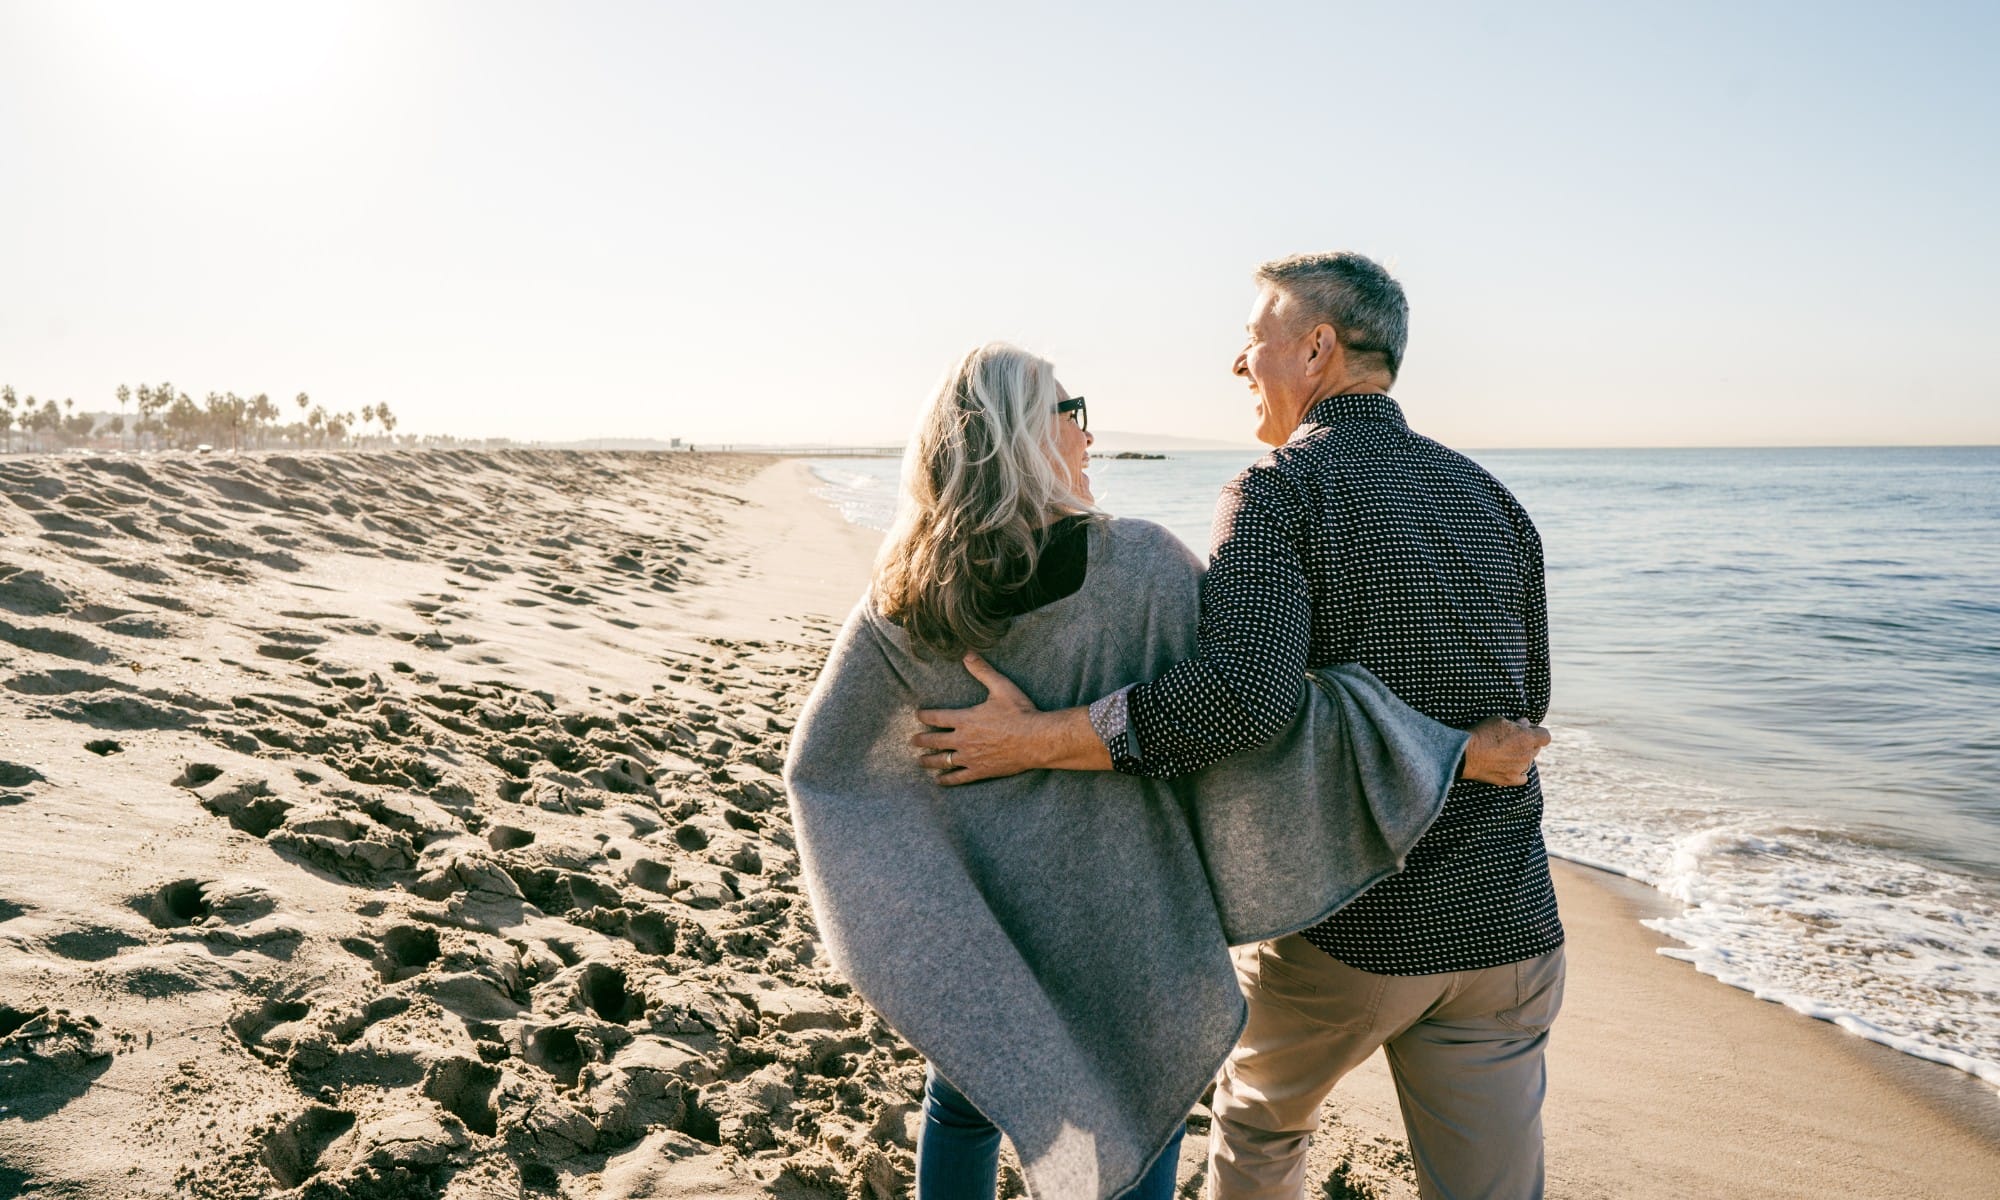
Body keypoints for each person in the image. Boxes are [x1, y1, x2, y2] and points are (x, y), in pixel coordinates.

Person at [785, 341, 1545, 1200]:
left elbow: (828, 770)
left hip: (988, 912)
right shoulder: (1140, 566)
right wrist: (1447, 748)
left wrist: (918, 892)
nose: (1089, 436)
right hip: (1131, 913)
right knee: (1141, 1108)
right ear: (1028, 434)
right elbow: (1258, 714)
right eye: (1073, 415)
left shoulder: (906, 593)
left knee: (965, 1099)